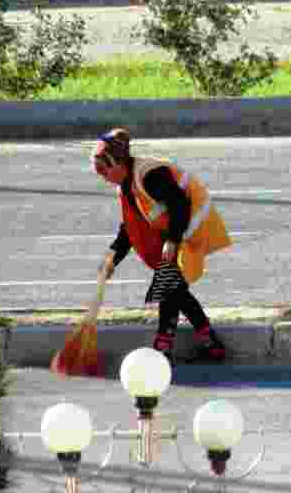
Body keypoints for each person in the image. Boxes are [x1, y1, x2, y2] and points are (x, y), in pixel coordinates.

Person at [92, 128, 231, 365]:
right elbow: (130, 229)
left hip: (191, 227)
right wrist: (112, 258)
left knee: (167, 286)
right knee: (174, 288)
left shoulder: (149, 175)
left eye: (103, 169)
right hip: (177, 231)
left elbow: (179, 204)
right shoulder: (126, 186)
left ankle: (163, 348)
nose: (101, 176)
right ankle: (210, 344)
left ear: (117, 163)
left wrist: (173, 240)